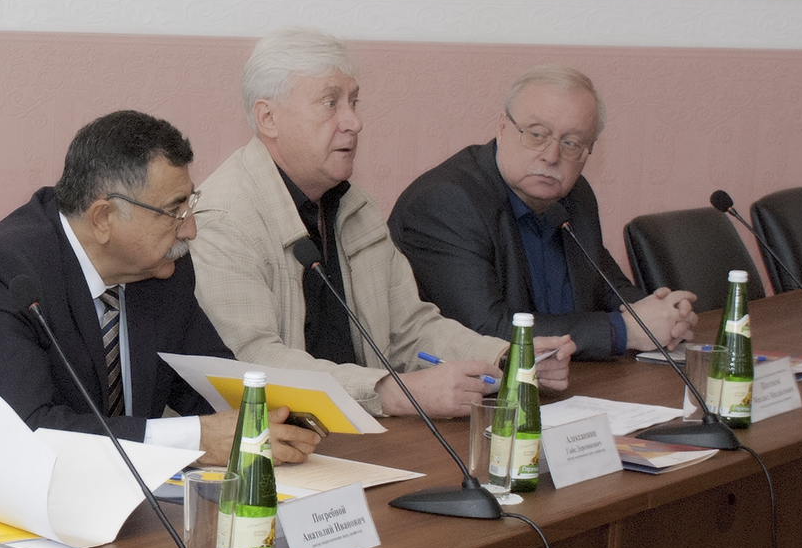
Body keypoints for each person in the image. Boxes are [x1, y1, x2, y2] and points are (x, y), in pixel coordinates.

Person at [0, 110, 321, 465]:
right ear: (104, 218)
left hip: (100, 502)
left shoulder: (160, 268)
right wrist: (197, 439)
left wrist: (284, 416)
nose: (189, 230)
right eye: (174, 210)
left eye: (190, 205)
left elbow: (207, 384)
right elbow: (32, 432)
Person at [191, 27, 574, 420]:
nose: (354, 121)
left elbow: (410, 329)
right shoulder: (224, 219)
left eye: (354, 102)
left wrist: (506, 359)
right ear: (268, 118)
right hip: (278, 440)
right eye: (330, 103)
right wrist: (392, 393)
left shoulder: (355, 206)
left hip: (366, 431)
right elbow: (253, 363)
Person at [388, 65, 696, 359]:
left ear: (589, 151)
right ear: (502, 127)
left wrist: (665, 315)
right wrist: (625, 331)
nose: (551, 156)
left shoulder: (575, 196)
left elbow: (606, 287)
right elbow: (485, 331)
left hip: (566, 380)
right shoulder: (446, 202)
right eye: (537, 134)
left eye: (571, 143)